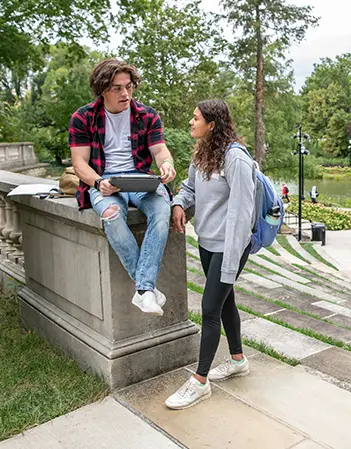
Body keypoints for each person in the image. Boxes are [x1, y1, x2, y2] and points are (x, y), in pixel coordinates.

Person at [69, 58, 176, 316]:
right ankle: (146, 290)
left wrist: (167, 164)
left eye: (129, 86)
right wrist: (97, 182)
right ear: (102, 89)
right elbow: (79, 163)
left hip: (139, 179)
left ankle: (143, 290)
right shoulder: (83, 117)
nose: (125, 93)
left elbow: (160, 150)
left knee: (162, 211)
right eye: (117, 88)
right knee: (111, 215)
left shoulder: (147, 115)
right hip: (104, 180)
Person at [166, 100, 255, 410]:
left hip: (230, 245)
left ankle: (199, 381)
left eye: (195, 118)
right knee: (224, 300)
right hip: (206, 241)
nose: (190, 123)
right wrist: (178, 203)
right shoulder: (202, 152)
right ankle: (238, 360)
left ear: (212, 124)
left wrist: (230, 264)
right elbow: (189, 188)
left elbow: (242, 215)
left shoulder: (236, 160)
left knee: (208, 308)